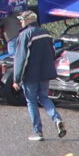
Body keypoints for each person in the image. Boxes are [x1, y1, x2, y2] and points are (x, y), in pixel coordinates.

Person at [9, 8, 64, 141]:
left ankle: (38, 132)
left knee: (31, 101)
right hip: (45, 74)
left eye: (22, 20)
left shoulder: (25, 35)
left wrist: (17, 79)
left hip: (30, 75)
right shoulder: (46, 33)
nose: (21, 22)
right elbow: (52, 52)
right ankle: (56, 119)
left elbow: (21, 58)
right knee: (44, 97)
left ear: (28, 20)